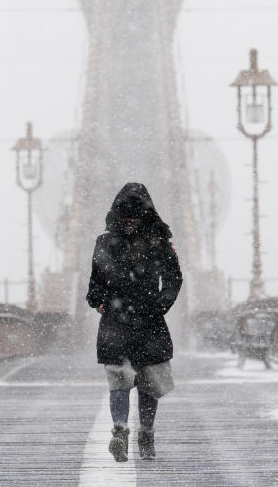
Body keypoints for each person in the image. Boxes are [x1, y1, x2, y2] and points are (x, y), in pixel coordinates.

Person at [86, 182, 182, 462]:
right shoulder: (150, 241)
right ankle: (126, 433)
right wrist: (99, 301)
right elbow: (95, 283)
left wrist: (160, 305)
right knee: (128, 378)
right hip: (129, 321)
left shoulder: (156, 241)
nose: (129, 222)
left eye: (134, 216)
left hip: (139, 320)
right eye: (125, 216)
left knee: (141, 380)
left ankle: (139, 433)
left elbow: (173, 278)